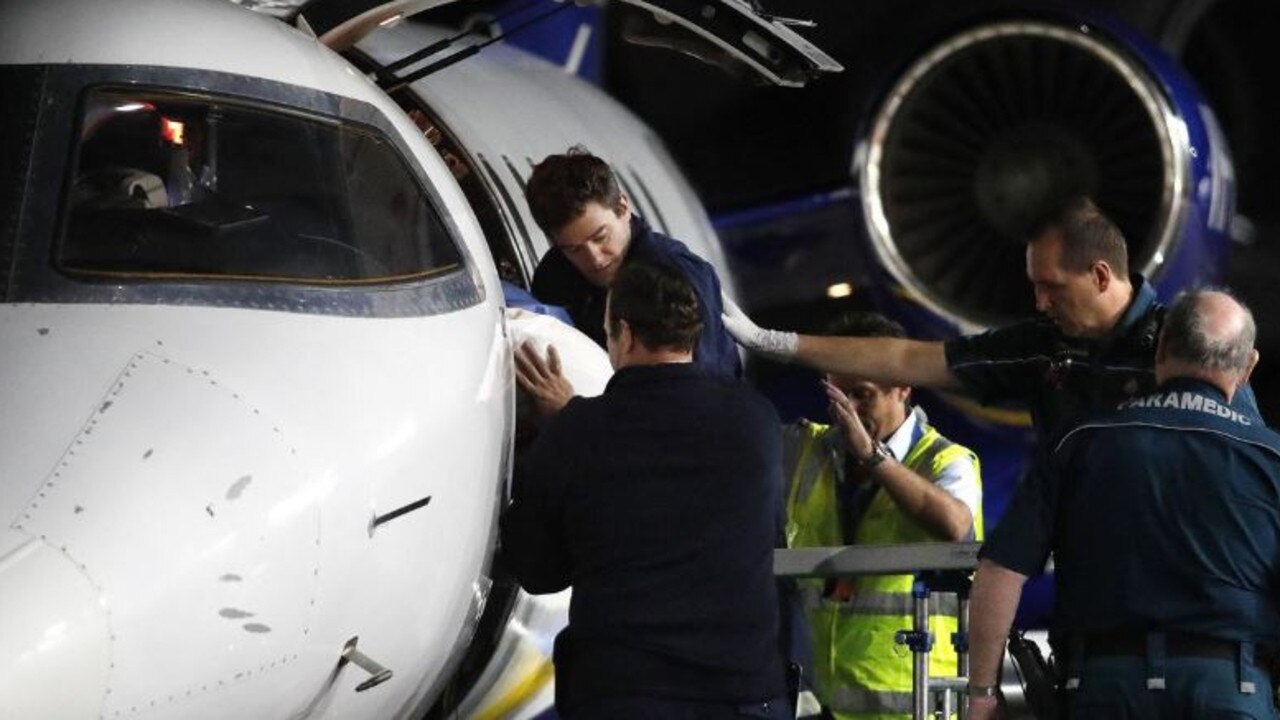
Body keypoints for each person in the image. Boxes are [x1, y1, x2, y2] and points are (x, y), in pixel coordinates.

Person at [965, 289, 1279, 720]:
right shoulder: (1272, 457)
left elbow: (1001, 570)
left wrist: (983, 693)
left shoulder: (1079, 441)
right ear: (1248, 367)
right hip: (1232, 687)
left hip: (1105, 686)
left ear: (1161, 348)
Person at [500, 260, 790, 719]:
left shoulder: (577, 432)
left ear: (626, 334)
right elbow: (767, 532)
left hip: (626, 693)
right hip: (744, 693)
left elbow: (538, 571)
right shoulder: (757, 419)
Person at [724, 196, 1257, 445]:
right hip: (1094, 594)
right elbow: (911, 359)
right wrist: (775, 341)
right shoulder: (1040, 347)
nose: (1040, 303)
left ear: (1099, 275)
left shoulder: (1189, 348)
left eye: (1051, 287)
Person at [784, 312, 983, 719]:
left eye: (862, 394)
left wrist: (874, 458)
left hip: (913, 704)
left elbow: (955, 525)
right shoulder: (809, 450)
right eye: (837, 396)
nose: (848, 413)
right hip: (822, 705)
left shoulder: (948, 460)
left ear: (903, 387)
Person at [526, 146, 741, 379]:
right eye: (573, 249)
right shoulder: (554, 278)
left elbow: (705, 388)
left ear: (623, 208)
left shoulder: (676, 274)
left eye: (600, 237)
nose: (595, 258)